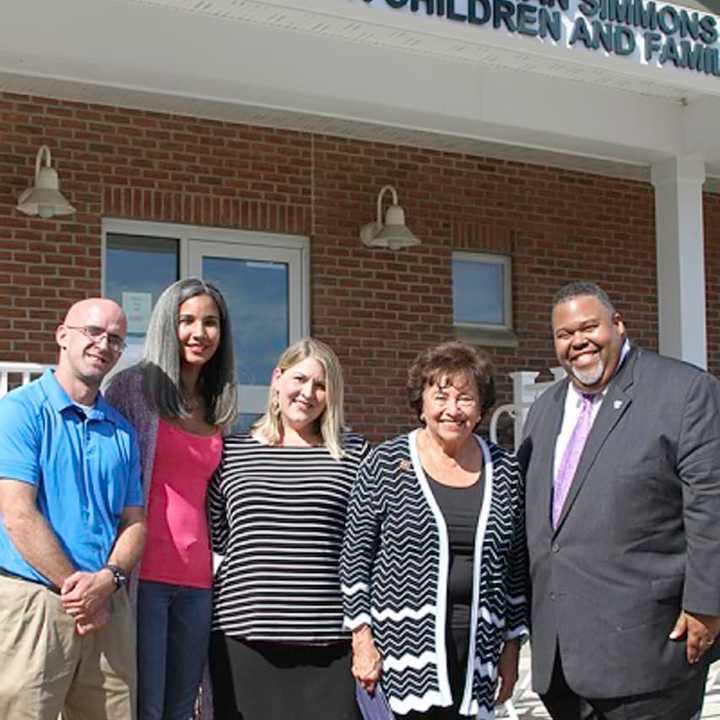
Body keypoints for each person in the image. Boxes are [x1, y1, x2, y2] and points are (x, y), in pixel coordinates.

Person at [519, 281, 720, 720]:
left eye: (589, 327)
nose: (578, 342)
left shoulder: (684, 391)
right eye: (564, 334)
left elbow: (712, 504)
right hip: (562, 660)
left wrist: (708, 604)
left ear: (619, 325)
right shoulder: (545, 409)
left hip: (649, 651)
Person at [341, 340, 528, 719]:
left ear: (480, 408)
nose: (452, 410)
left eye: (465, 398)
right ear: (421, 404)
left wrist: (511, 649)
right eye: (441, 396)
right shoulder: (385, 463)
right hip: (400, 654)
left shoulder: (506, 470)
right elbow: (355, 557)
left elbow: (516, 569)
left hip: (479, 651)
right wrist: (362, 640)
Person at [209, 337, 370, 720]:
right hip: (243, 635)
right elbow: (217, 537)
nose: (308, 393)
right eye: (299, 379)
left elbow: (364, 548)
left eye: (320, 385)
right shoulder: (231, 453)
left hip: (329, 639)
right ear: (277, 379)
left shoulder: (354, 455)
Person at [0, 298, 146, 720]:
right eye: (94, 332)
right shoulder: (19, 412)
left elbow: (134, 521)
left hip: (108, 607)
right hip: (36, 604)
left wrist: (110, 580)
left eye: (116, 338)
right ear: (62, 336)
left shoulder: (121, 431)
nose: (104, 344)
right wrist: (81, 594)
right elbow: (18, 515)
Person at [105, 278, 237, 720]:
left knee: (184, 707)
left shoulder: (215, 403)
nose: (200, 333)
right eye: (187, 321)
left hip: (198, 579)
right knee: (145, 704)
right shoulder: (131, 389)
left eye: (211, 322)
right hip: (145, 574)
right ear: (166, 324)